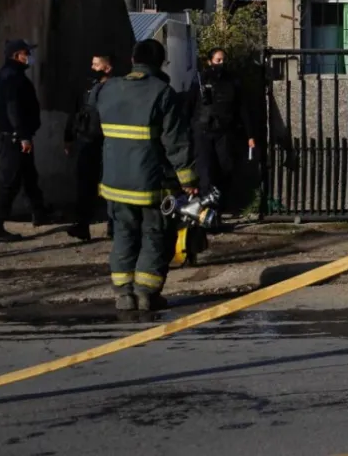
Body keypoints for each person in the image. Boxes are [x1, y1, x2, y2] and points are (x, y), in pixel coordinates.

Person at [95, 39, 197, 311]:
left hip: (115, 183)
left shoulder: (108, 89)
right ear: (161, 62)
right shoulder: (162, 92)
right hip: (149, 183)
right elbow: (175, 142)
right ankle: (145, 293)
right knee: (155, 235)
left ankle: (124, 294)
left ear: (132, 60)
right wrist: (188, 180)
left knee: (124, 235)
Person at [0, 39, 52, 243]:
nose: (29, 57)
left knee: (28, 176)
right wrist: (22, 136)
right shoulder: (11, 77)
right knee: (6, 182)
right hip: (12, 139)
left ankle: (39, 213)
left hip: (17, 137)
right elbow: (13, 109)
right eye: (26, 53)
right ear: (16, 55)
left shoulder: (13, 75)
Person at [183, 47, 255, 209]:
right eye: (218, 60)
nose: (221, 64)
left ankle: (220, 205)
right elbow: (188, 106)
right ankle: (206, 209)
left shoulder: (233, 82)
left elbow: (242, 109)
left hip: (224, 131)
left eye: (223, 60)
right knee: (205, 171)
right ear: (210, 62)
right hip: (202, 131)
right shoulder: (200, 80)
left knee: (225, 167)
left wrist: (250, 135)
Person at [63, 53, 114, 242]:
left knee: (110, 185)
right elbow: (76, 113)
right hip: (87, 140)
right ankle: (82, 225)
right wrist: (68, 138)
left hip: (108, 142)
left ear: (107, 68)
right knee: (85, 185)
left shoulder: (115, 88)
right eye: (91, 64)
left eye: (96, 65)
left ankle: (114, 226)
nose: (92, 68)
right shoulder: (87, 88)